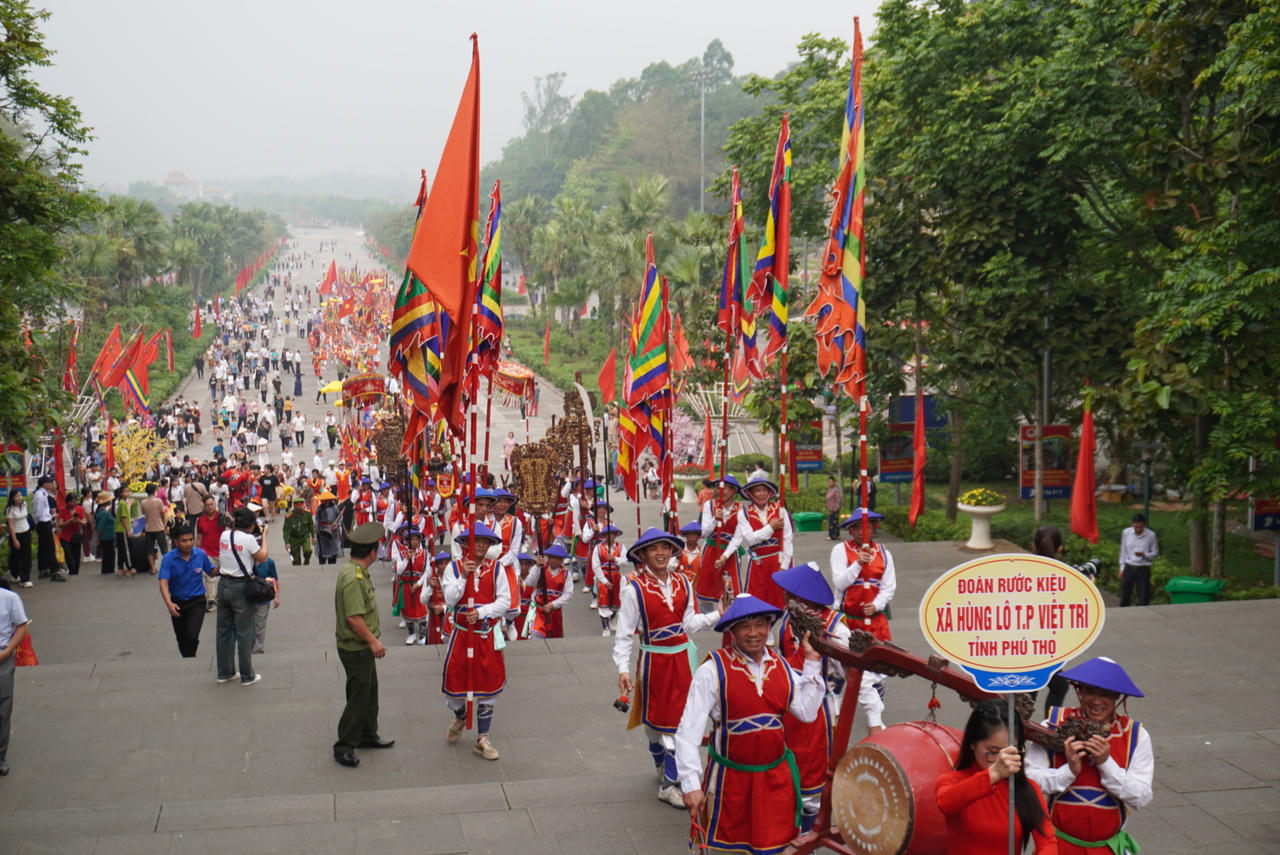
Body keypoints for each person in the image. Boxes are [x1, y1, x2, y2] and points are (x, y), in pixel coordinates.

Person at [674, 594, 826, 852]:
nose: (754, 633)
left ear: (769, 627)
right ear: (732, 631)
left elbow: (806, 712)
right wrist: (690, 784)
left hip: (777, 781)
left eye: (760, 624)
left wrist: (812, 662)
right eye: (745, 626)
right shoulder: (712, 671)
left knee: (776, 848)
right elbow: (687, 733)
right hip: (730, 782)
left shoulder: (782, 666)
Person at [615, 528, 727, 808]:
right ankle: (663, 770)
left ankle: (669, 781)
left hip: (683, 659)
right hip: (654, 662)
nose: (661, 553)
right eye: (654, 549)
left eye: (665, 547)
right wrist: (623, 668)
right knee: (654, 725)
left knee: (679, 723)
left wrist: (718, 615)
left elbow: (688, 623)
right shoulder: (634, 590)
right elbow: (624, 633)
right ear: (642, 555)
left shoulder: (683, 582)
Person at [1026, 657, 1153, 854]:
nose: (1096, 700)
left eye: (1106, 694)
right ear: (1079, 691)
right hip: (1057, 846)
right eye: (1089, 691)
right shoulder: (1052, 726)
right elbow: (1028, 783)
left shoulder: (1136, 736)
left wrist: (1106, 763)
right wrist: (1069, 771)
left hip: (1107, 848)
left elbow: (1141, 797)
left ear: (1117, 697)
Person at [772, 563, 854, 831]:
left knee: (813, 780)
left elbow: (857, 677)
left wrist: (873, 716)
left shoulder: (837, 630)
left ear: (803, 599)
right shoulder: (786, 620)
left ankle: (808, 836)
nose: (785, 598)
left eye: (790, 595)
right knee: (785, 771)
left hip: (821, 713)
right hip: (788, 708)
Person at [936, 700, 1057, 854]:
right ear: (972, 743)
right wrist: (993, 774)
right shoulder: (954, 780)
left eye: (1009, 751)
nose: (1003, 760)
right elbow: (945, 803)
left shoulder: (1027, 789)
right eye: (993, 751)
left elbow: (1047, 841)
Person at [441, 522, 510, 761]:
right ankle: (460, 715)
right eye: (475, 541)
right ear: (465, 544)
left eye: (485, 542)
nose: (480, 545)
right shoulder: (453, 568)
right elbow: (450, 598)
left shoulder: (497, 568)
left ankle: (482, 738)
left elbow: (505, 601)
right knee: (453, 685)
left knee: (489, 686)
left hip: (486, 634)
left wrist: (481, 613)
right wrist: (464, 576)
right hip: (461, 634)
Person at [332, 522, 394, 768]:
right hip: (356, 647)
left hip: (360, 647)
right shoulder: (354, 578)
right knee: (359, 697)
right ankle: (344, 745)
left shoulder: (354, 571)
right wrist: (373, 641)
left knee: (369, 693)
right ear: (373, 551)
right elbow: (354, 618)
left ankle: (368, 734)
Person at [830, 508, 894, 734]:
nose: (862, 531)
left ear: (874, 527)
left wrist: (876, 605)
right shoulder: (840, 550)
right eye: (856, 527)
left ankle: (876, 716)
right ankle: (833, 706)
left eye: (867, 526)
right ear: (850, 530)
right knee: (840, 667)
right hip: (848, 620)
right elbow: (839, 583)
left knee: (877, 671)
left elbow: (889, 588)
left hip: (874, 622)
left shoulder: (885, 553)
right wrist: (857, 564)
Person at [215, 508, 269, 685]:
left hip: (223, 585)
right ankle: (247, 675)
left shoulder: (224, 535)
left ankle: (225, 672)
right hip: (240, 588)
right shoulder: (249, 539)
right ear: (252, 525)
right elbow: (263, 557)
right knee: (245, 632)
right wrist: (265, 535)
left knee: (223, 631)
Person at [727, 476, 792, 612]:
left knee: (779, 605)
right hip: (757, 564)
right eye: (757, 490)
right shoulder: (744, 513)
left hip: (777, 562)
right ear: (751, 493)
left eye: (764, 490)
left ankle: (771, 633)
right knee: (756, 605)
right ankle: (766, 633)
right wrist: (771, 527)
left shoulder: (780, 510)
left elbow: (787, 539)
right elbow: (751, 539)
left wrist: (785, 565)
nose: (761, 494)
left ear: (769, 492)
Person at [157, 524, 217, 658]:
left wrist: (223, 565)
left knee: (192, 634)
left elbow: (211, 572)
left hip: (197, 601)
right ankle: (188, 656)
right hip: (177, 603)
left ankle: (190, 658)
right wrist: (169, 604)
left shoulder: (200, 554)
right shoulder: (168, 559)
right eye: (184, 540)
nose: (188, 543)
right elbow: (163, 583)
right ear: (176, 542)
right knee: (182, 638)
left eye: (190, 539)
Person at [0, 577, 31, 776]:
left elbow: (22, 625)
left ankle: (0, 756)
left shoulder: (9, 598)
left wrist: (8, 651)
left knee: (3, 707)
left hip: (2, 656)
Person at [523, 544, 573, 639]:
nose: (553, 560)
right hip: (539, 611)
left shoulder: (566, 574)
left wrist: (553, 605)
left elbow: (568, 594)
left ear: (561, 560)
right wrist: (537, 567)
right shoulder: (541, 568)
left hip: (555, 613)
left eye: (556, 558)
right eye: (551, 557)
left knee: (555, 640)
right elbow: (530, 582)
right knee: (535, 636)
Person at [1118, 514, 1158, 607]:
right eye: (1136, 527)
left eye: (1140, 527)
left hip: (1143, 568)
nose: (1138, 529)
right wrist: (1122, 568)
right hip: (1129, 567)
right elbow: (1123, 551)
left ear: (1144, 525)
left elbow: (1155, 553)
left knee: (1143, 595)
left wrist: (1145, 555)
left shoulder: (1151, 535)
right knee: (1125, 593)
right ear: (1133, 525)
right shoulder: (1126, 533)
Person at [30, 476, 59, 581]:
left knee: (43, 547)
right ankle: (54, 570)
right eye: (50, 483)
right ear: (45, 484)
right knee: (50, 547)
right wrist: (45, 520)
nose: (52, 484)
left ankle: (43, 568)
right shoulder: (40, 495)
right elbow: (38, 513)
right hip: (43, 522)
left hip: (44, 522)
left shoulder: (42, 494)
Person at [5, 489, 32, 588]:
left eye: (20, 495)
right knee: (15, 556)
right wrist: (15, 539)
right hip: (16, 534)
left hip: (26, 531)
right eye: (16, 496)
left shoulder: (24, 504)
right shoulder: (10, 509)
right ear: (12, 498)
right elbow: (11, 526)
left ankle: (25, 579)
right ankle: (14, 574)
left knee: (26, 556)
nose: (19, 498)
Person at [139, 483, 168, 575]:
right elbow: (163, 513)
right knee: (164, 549)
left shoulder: (143, 502)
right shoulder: (158, 501)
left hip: (148, 528)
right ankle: (167, 567)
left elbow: (144, 513)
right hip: (159, 527)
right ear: (155, 491)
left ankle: (152, 568)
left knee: (149, 549)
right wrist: (164, 524)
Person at [57, 491, 87, 577]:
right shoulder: (63, 510)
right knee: (68, 554)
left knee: (76, 555)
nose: (73, 503)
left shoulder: (79, 509)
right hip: (65, 537)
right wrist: (70, 521)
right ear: (67, 502)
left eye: (75, 501)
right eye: (71, 502)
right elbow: (60, 524)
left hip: (76, 536)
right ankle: (72, 570)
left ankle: (75, 572)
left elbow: (84, 522)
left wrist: (78, 521)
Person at [282, 497, 315, 565]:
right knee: (295, 560)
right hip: (294, 538)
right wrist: (287, 542)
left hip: (304, 536)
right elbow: (285, 530)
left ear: (303, 506)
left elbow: (311, 526)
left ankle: (307, 560)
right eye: (298, 508)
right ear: (294, 506)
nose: (300, 510)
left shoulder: (307, 514)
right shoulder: (289, 516)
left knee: (308, 551)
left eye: (301, 508)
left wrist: (313, 537)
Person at [315, 491, 343, 565]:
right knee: (323, 549)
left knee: (333, 548)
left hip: (333, 530)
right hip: (323, 530)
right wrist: (317, 530)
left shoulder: (335, 507)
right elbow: (317, 520)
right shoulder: (319, 508)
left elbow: (340, 518)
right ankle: (322, 562)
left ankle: (332, 561)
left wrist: (337, 524)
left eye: (328, 499)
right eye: (324, 500)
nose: (326, 501)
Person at [93, 491, 117, 578]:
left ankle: (108, 570)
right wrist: (98, 539)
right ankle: (108, 571)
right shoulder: (103, 514)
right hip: (106, 537)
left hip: (107, 537)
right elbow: (100, 528)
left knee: (108, 555)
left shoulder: (101, 511)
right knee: (109, 556)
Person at [824, 476, 842, 540]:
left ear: (834, 482)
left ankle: (832, 536)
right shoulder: (829, 489)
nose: (830, 483)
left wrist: (836, 507)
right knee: (835, 522)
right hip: (830, 508)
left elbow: (839, 499)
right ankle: (837, 535)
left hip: (834, 509)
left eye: (831, 482)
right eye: (829, 482)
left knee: (832, 522)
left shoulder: (836, 490)